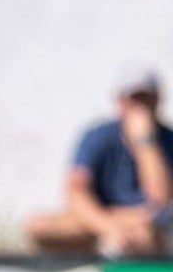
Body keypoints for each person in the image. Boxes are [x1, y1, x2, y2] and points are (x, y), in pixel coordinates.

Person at [25, 65, 173, 257]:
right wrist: (108, 226)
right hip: (102, 220)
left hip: (148, 226)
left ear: (157, 100)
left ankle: (114, 248)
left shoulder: (167, 140)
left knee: (145, 238)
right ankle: (106, 245)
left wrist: (145, 144)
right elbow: (75, 191)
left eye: (145, 98)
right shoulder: (97, 137)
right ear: (120, 101)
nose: (138, 106)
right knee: (39, 226)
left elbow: (159, 201)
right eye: (133, 98)